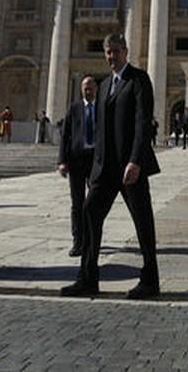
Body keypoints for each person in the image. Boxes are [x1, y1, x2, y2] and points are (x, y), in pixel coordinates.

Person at [61, 33, 160, 299]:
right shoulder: (104, 86)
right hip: (105, 170)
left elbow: (142, 122)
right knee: (90, 213)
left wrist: (136, 160)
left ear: (126, 52)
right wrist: (95, 169)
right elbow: (102, 130)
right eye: (107, 52)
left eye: (116, 51)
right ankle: (87, 278)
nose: (111, 56)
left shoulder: (139, 80)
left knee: (143, 223)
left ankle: (150, 280)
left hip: (130, 167)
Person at [58, 76, 98, 257]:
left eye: (90, 88)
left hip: (95, 160)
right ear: (81, 90)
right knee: (77, 203)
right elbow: (65, 135)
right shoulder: (74, 108)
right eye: (85, 88)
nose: (88, 91)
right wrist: (61, 161)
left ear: (95, 89)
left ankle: (91, 239)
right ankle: (78, 241)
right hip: (76, 161)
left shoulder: (102, 109)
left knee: (94, 202)